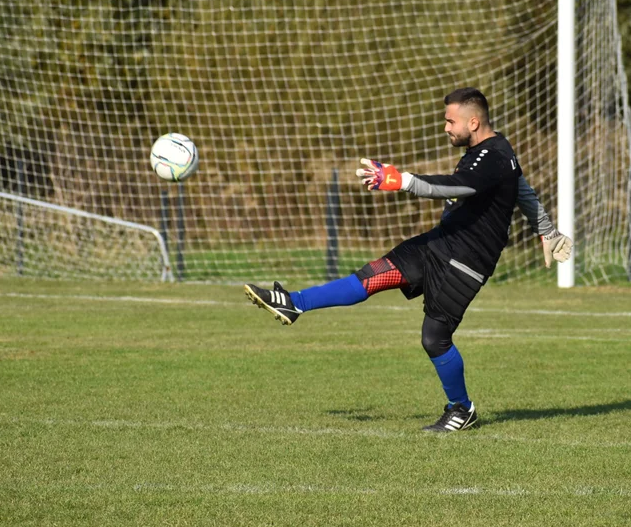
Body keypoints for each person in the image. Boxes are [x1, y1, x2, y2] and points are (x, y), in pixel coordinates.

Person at [244, 88, 572, 433]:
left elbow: (456, 186)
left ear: (473, 122)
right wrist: (547, 230)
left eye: (451, 120)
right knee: (373, 275)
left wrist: (402, 180)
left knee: (434, 338)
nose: (445, 127)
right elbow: (521, 187)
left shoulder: (491, 157)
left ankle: (462, 409)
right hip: (440, 242)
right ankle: (294, 303)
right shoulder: (494, 151)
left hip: (466, 262)